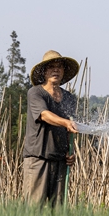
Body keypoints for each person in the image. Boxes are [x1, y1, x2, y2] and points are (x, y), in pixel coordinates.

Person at [23, 50, 80, 206]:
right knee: (35, 210)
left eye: (59, 67)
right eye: (51, 67)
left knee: (58, 211)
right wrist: (66, 123)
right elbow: (44, 115)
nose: (56, 70)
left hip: (60, 160)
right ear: (44, 72)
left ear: (63, 72)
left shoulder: (69, 98)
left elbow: (71, 126)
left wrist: (70, 152)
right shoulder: (35, 93)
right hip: (38, 159)